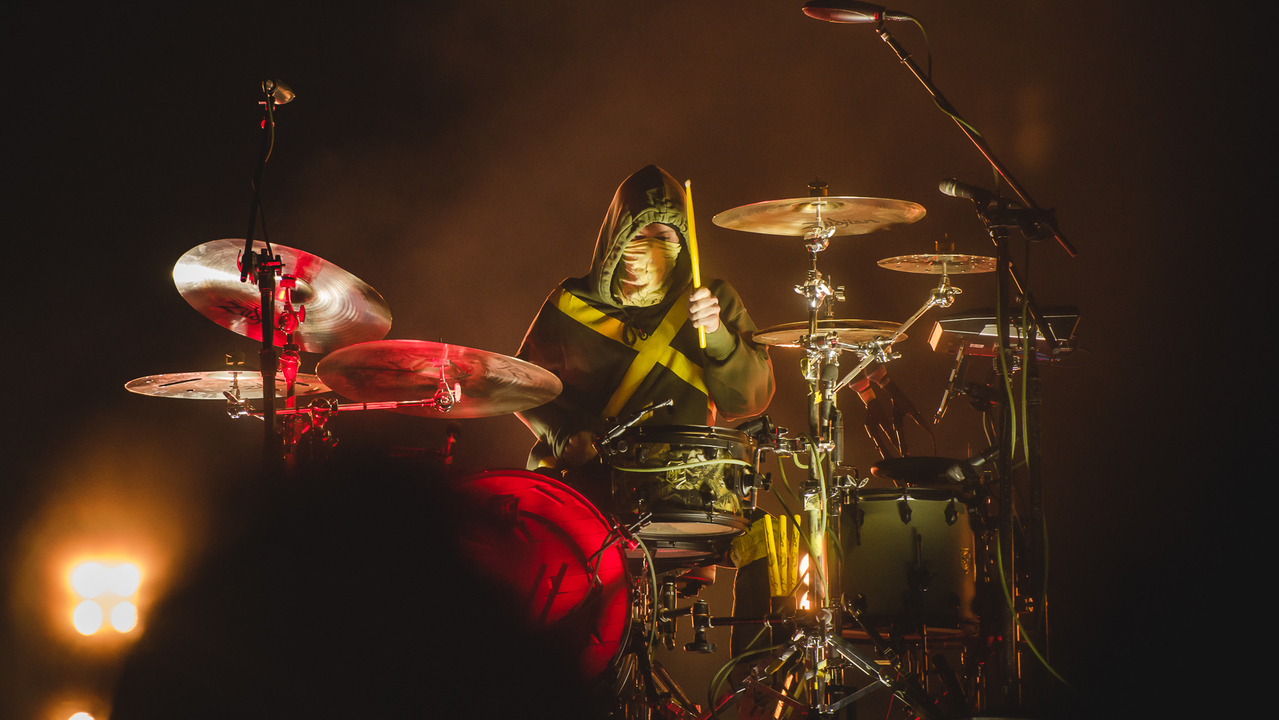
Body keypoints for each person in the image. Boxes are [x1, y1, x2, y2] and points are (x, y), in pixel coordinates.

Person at [515, 164, 774, 471]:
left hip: (676, 485)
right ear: (615, 237)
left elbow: (749, 402)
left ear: (684, 241)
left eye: (664, 235)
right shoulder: (569, 302)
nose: (651, 246)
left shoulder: (713, 296)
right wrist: (564, 437)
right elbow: (519, 387)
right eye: (639, 233)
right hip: (576, 479)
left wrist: (718, 335)